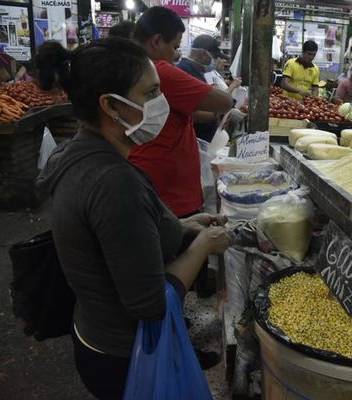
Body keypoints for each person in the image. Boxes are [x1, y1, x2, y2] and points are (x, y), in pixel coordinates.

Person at [34, 36, 230, 400]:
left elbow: (116, 239)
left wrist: (186, 226)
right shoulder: (114, 183)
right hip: (126, 357)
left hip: (93, 332)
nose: (162, 104)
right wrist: (204, 245)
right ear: (110, 105)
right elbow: (150, 303)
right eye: (152, 93)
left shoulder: (78, 152)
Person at [132, 8, 232, 327]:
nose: (178, 55)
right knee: (172, 267)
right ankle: (170, 332)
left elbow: (188, 112)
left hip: (157, 181)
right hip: (166, 189)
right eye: (176, 45)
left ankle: (174, 325)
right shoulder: (157, 69)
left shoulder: (137, 67)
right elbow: (222, 101)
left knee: (161, 265)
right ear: (157, 41)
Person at [176, 34, 234, 142]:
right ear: (203, 55)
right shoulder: (185, 72)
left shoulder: (197, 72)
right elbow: (190, 113)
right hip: (193, 139)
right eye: (214, 57)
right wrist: (218, 115)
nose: (216, 61)